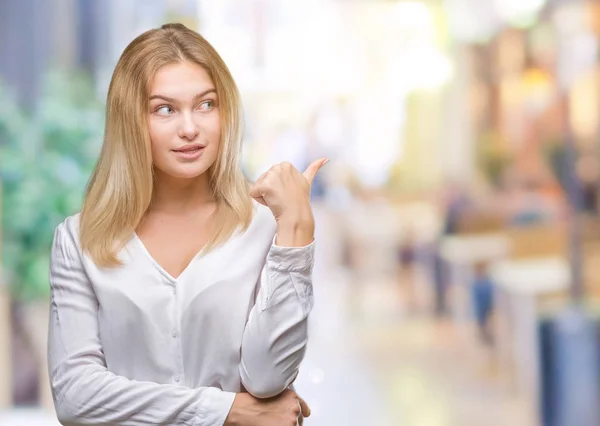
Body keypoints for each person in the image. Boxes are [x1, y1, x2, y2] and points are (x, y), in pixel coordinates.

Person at [47, 23, 327, 426]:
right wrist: (227, 411)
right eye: (165, 109)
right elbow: (75, 395)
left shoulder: (265, 229)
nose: (190, 128)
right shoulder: (79, 241)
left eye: (206, 104)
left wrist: (296, 230)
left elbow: (266, 378)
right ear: (132, 121)